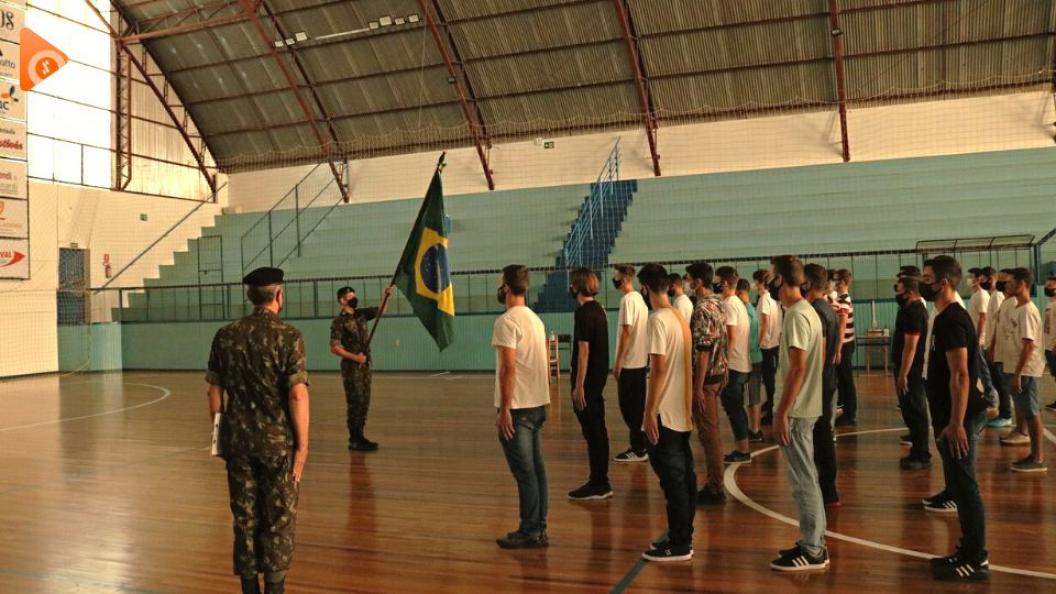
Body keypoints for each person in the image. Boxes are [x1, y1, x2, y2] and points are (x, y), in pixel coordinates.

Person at [206, 267, 310, 594]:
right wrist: (302, 448)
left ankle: (249, 587)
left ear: (251, 296)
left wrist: (220, 439)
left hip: (238, 442)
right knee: (278, 519)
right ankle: (274, 588)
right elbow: (297, 394)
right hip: (278, 446)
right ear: (279, 295)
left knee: (244, 518)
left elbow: (214, 392)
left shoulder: (226, 335)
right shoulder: (289, 336)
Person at [921, 256, 990, 581]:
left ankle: (976, 559)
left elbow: (961, 375)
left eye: (927, 278)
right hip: (948, 417)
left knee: (965, 487)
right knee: (959, 488)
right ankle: (966, 550)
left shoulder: (952, 320)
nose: (923, 283)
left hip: (960, 418)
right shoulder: (943, 316)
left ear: (943, 282)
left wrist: (957, 423)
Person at [767, 255, 829, 572]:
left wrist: (782, 412)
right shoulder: (807, 311)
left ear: (780, 279)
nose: (768, 280)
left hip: (797, 411)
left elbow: (798, 368)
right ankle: (815, 541)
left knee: (803, 480)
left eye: (771, 275)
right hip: (805, 407)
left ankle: (813, 548)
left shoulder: (796, 315)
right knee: (807, 477)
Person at [637, 264, 696, 562]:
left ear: (645, 288)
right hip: (681, 411)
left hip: (666, 414)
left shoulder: (658, 320)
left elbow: (658, 369)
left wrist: (649, 411)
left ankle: (680, 542)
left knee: (673, 481)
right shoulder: (678, 316)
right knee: (684, 478)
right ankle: (683, 534)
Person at [492, 265, 551, 549]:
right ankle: (539, 527)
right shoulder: (535, 320)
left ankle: (530, 530)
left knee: (525, 473)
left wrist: (505, 408)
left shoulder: (506, 321)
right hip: (537, 404)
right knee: (537, 471)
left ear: (506, 287)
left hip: (518, 408)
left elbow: (509, 368)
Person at [330, 285, 394, 451]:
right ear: (342, 300)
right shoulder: (339, 321)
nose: (354, 298)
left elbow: (381, 310)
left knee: (365, 401)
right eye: (350, 297)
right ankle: (354, 438)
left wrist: (386, 296)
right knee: (355, 402)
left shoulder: (361, 314)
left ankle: (361, 436)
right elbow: (334, 347)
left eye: (354, 295)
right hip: (351, 367)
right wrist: (355, 357)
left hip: (365, 365)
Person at [567, 268, 613, 500]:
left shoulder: (583, 312)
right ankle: (599, 479)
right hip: (598, 380)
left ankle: (599, 482)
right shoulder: (599, 310)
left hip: (588, 384)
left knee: (594, 434)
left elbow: (584, 350)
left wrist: (579, 386)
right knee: (598, 433)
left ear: (577, 286)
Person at [686, 262, 729, 505]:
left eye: (689, 278)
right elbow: (723, 338)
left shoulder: (702, 308)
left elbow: (703, 351)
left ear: (698, 281)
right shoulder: (718, 303)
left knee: (709, 434)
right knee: (711, 430)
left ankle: (716, 488)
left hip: (706, 378)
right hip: (718, 372)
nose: (687, 282)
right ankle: (715, 483)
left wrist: (697, 387)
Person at [803, 264, 840, 507]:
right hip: (826, 380)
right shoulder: (826, 308)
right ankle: (827, 487)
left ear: (807, 282)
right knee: (823, 434)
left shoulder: (817, 310)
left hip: (819, 383)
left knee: (821, 436)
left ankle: (827, 489)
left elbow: (821, 351)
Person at [1005, 268, 1047, 473]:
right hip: (1019, 369)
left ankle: (1038, 459)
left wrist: (1018, 374)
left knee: (1031, 413)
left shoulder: (1027, 311)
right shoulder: (1018, 308)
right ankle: (1033, 455)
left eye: (1010, 282)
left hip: (1026, 371)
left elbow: (1029, 346)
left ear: (1021, 284)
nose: (1006, 285)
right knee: (1027, 411)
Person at [893, 275, 931, 470]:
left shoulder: (915, 312)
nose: (897, 293)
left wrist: (903, 374)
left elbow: (911, 347)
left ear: (908, 293)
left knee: (916, 411)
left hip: (912, 370)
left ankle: (921, 454)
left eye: (899, 290)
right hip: (908, 368)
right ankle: (917, 449)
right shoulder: (909, 310)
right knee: (910, 410)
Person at [612, 264, 650, 463]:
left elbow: (627, 332)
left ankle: (639, 448)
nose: (615, 280)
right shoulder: (640, 300)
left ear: (625, 279)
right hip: (640, 361)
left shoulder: (628, 300)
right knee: (636, 407)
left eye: (616, 277)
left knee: (629, 408)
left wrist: (618, 362)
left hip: (630, 363)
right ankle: (641, 444)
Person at [716, 266, 752, 463]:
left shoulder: (730, 304)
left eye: (717, 280)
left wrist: (724, 365)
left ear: (725, 283)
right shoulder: (737, 302)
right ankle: (743, 446)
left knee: (734, 409)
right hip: (741, 362)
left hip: (734, 365)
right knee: (737, 408)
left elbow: (730, 337)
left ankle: (743, 450)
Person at [987, 269, 1015, 430]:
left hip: (1004, 352)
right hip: (996, 349)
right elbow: (996, 325)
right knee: (998, 382)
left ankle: (1006, 415)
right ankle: (1004, 412)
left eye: (1005, 280)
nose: (1002, 283)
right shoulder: (1003, 300)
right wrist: (991, 345)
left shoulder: (1009, 301)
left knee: (1003, 384)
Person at [754, 270, 782, 426]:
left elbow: (765, 323)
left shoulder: (765, 299)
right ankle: (771, 409)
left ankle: (772, 414)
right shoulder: (771, 299)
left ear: (760, 283)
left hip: (767, 346)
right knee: (771, 382)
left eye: (756, 281)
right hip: (773, 344)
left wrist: (758, 343)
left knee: (770, 383)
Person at [739, 279, 765, 441]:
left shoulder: (746, 312)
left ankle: (754, 430)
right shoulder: (751, 309)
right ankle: (755, 428)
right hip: (755, 356)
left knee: (752, 397)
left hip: (751, 358)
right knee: (753, 396)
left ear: (741, 292)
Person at [832, 270, 858, 427]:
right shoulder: (840, 299)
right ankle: (847, 411)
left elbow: (842, 326)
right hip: (846, 344)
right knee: (843, 380)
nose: (835, 284)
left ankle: (850, 414)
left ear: (844, 282)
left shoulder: (844, 300)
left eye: (838, 281)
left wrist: (838, 349)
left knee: (847, 380)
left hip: (845, 345)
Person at [966, 268, 991, 350]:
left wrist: (978, 339)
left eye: (971, 277)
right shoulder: (975, 294)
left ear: (978, 279)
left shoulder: (982, 294)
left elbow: (983, 318)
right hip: (974, 338)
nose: (969, 279)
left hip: (981, 341)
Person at [1045, 276, 1056, 411]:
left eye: (1050, 286)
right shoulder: (1049, 304)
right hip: (1048, 345)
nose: (1047, 288)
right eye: (1046, 285)